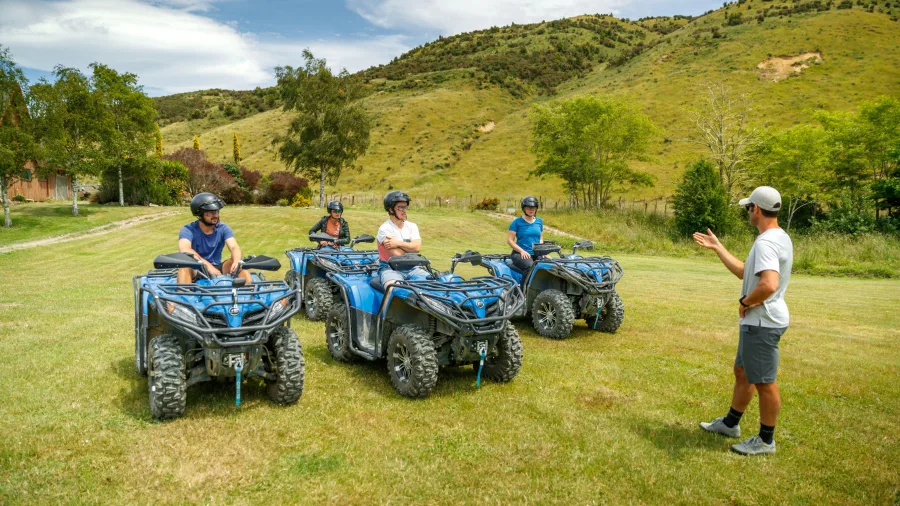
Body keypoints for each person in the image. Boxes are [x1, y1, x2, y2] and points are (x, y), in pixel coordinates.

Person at [693, 186, 793, 456]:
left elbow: (769, 284)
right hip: (761, 321)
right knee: (743, 373)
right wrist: (718, 247)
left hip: (762, 322)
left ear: (756, 209)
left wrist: (745, 302)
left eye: (748, 207)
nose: (747, 211)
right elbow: (743, 272)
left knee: (764, 381)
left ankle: (766, 440)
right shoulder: (778, 237)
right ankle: (730, 424)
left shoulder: (766, 243)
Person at [176, 192, 253, 285]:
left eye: (216, 211)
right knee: (185, 266)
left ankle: (249, 292)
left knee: (239, 265)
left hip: (218, 266)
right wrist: (207, 266)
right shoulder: (188, 230)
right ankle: (183, 295)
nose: (215, 215)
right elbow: (185, 250)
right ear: (199, 214)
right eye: (210, 212)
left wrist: (237, 260)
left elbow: (234, 247)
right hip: (197, 267)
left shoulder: (223, 228)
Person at [376, 191, 426, 289]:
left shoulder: (412, 226)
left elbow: (417, 247)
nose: (404, 210)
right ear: (391, 209)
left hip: (413, 268)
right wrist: (410, 249)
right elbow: (396, 254)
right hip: (390, 268)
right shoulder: (385, 228)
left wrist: (398, 243)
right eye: (400, 207)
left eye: (405, 207)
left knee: (431, 285)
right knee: (393, 289)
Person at [507, 196, 544, 272]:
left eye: (533, 208)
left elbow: (540, 239)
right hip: (519, 253)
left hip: (536, 253)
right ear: (524, 208)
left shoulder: (539, 221)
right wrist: (521, 251)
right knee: (530, 268)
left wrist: (542, 252)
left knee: (549, 266)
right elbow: (510, 240)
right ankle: (524, 284)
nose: (531, 210)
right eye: (528, 208)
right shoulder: (516, 222)